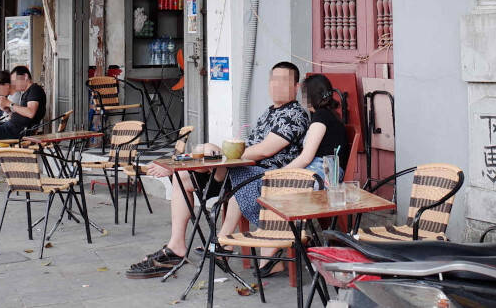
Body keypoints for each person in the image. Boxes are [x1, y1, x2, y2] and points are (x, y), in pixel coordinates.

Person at [126, 61, 310, 279]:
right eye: (273, 80)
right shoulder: (268, 113)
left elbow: (264, 151)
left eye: (284, 81)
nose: (277, 85)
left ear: (296, 87)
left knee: (208, 155)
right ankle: (177, 245)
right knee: (182, 177)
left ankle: (222, 242)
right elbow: (249, 148)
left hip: (262, 178)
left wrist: (224, 156)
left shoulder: (295, 114)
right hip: (237, 171)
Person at [283, 74, 348, 182]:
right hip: (328, 170)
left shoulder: (321, 117)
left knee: (274, 185)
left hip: (322, 171)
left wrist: (279, 173)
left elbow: (306, 158)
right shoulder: (330, 115)